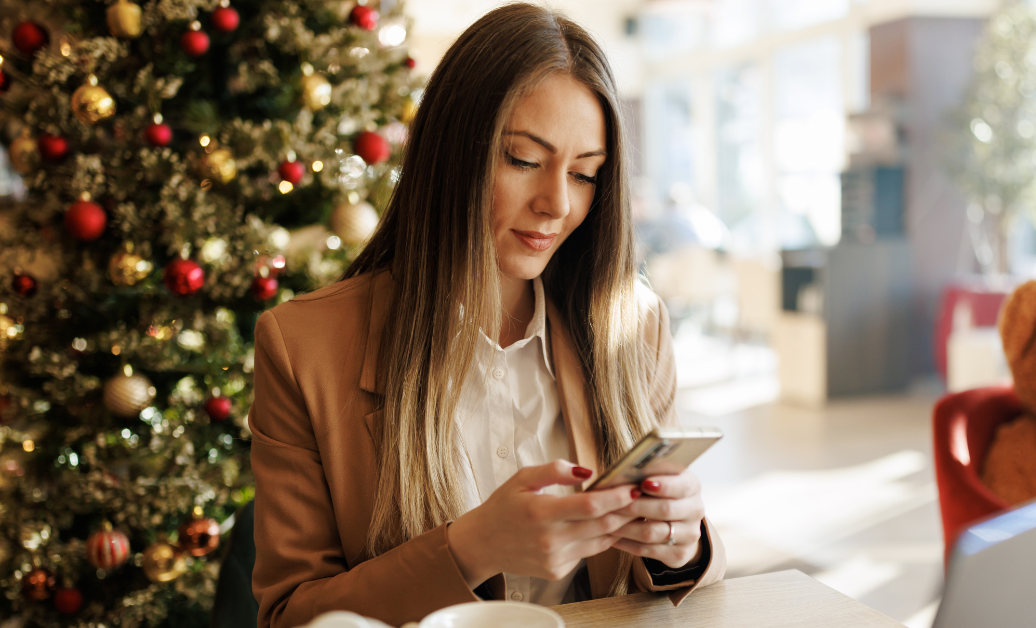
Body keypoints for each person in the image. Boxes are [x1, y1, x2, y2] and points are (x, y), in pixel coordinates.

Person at [248, 4, 726, 627]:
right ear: (451, 155)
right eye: (524, 160)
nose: (558, 203)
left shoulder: (631, 325)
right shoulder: (304, 347)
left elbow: (680, 580)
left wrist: (681, 544)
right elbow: (291, 616)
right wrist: (471, 549)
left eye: (585, 173)